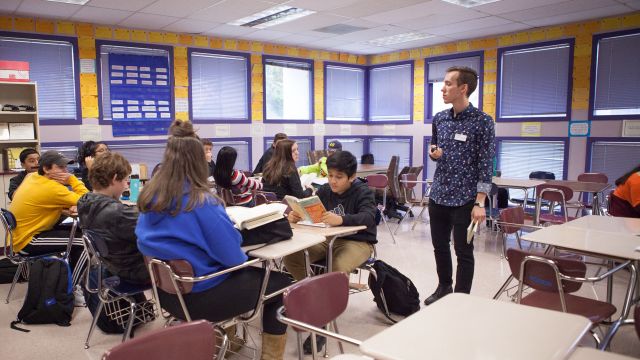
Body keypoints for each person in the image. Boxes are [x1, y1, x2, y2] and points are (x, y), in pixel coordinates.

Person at [135, 120, 290, 360]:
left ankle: (225, 343)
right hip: (201, 295)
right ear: (199, 162)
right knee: (280, 283)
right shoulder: (202, 202)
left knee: (234, 275)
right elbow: (233, 258)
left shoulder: (150, 197)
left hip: (166, 294)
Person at [283, 150, 376, 354]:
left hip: (358, 242)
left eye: (339, 177)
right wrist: (298, 216)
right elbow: (315, 214)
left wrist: (342, 220)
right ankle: (313, 299)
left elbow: (369, 217)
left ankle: (322, 323)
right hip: (328, 239)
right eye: (331, 175)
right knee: (292, 256)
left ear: (351, 177)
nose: (333, 181)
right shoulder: (325, 190)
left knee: (336, 269)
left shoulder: (364, 192)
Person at [424, 66, 495, 305]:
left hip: (466, 199)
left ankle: (461, 299)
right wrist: (434, 153)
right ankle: (444, 286)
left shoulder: (483, 122)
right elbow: (434, 148)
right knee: (439, 247)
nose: (442, 89)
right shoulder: (440, 119)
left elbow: (486, 164)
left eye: (447, 84)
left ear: (463, 88)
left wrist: (480, 202)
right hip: (439, 194)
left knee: (463, 251)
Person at [9, 151, 90, 286]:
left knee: (79, 232)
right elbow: (89, 200)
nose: (66, 172)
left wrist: (64, 206)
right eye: (60, 167)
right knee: (83, 242)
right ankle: (72, 288)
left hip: (19, 236)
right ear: (46, 169)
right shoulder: (52, 188)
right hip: (28, 241)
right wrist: (72, 180)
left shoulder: (32, 176)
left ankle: (68, 277)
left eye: (66, 167)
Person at [77, 152, 149, 284]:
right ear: (115, 178)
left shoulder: (83, 202)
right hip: (135, 270)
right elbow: (153, 227)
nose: (126, 186)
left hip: (112, 265)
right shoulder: (118, 213)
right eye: (125, 180)